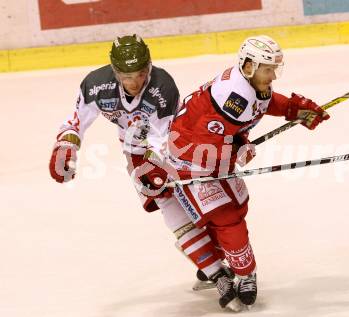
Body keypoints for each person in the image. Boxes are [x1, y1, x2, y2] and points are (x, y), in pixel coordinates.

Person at [159, 35, 330, 310]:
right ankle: (245, 272)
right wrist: (238, 146)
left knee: (236, 206)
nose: (273, 75)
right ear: (248, 66)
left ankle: (209, 261)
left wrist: (293, 109)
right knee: (227, 216)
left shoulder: (249, 83)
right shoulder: (233, 98)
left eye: (275, 68)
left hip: (203, 153)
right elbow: (208, 137)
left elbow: (264, 102)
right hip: (193, 160)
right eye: (267, 69)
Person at [48, 34, 226, 288]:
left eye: (141, 73)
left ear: (149, 65)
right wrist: (65, 146)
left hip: (178, 147)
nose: (135, 82)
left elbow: (165, 136)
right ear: (115, 71)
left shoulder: (163, 86)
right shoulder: (95, 85)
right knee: (166, 201)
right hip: (134, 150)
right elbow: (75, 122)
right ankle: (215, 270)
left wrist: (157, 163)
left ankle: (219, 254)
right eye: (127, 76)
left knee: (199, 198)